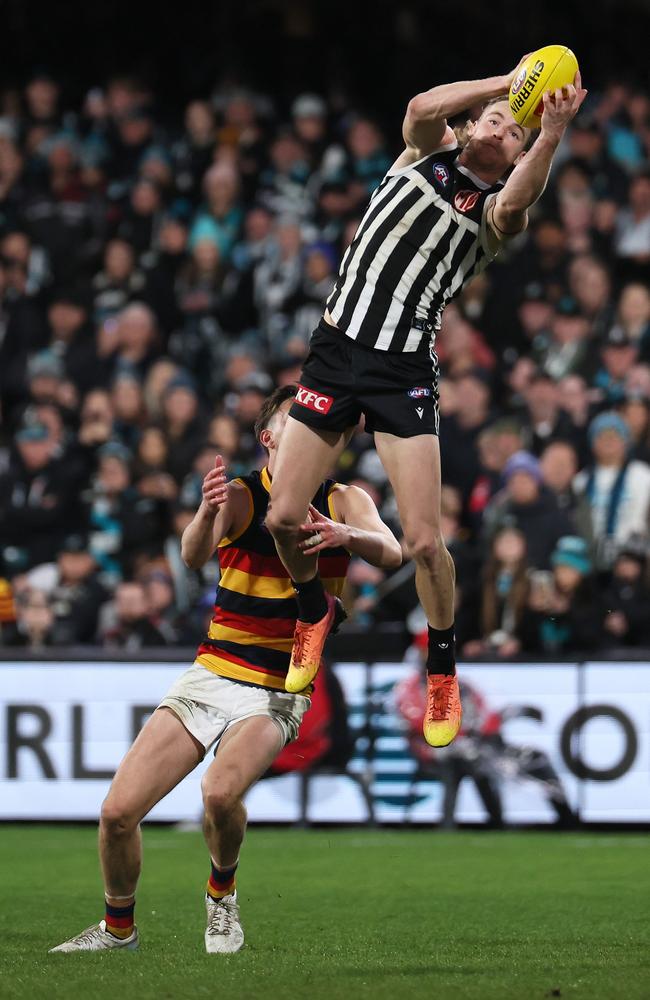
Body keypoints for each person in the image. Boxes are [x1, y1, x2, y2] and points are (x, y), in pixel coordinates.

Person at [265, 58, 586, 749]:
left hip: (402, 367)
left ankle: (442, 664)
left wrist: (548, 136)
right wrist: (508, 84)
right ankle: (314, 611)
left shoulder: (494, 211)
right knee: (284, 516)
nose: (502, 130)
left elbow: (519, 200)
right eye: (494, 122)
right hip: (334, 351)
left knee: (423, 543)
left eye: (511, 135)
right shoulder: (422, 152)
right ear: (470, 123)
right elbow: (421, 104)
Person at [50, 384, 401, 956]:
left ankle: (221, 896)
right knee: (116, 814)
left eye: (325, 428)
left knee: (218, 794)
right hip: (213, 672)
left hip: (278, 686)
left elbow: (391, 551)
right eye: (299, 421)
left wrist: (348, 536)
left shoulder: (345, 500)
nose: (317, 433)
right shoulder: (240, 493)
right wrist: (207, 511)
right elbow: (192, 556)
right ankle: (119, 931)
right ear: (270, 438)